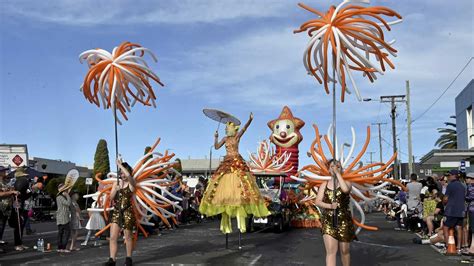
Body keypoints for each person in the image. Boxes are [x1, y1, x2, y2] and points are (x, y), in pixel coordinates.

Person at [199, 113, 270, 235]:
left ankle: (241, 224)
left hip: (237, 162)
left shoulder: (237, 136)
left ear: (233, 129)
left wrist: (250, 120)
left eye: (227, 128)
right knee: (224, 190)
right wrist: (215, 137)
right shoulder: (225, 139)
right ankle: (225, 225)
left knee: (240, 189)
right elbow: (216, 147)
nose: (226, 130)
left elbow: (244, 129)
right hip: (227, 164)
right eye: (225, 129)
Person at [315, 160, 355, 266]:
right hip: (329, 219)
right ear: (328, 169)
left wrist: (337, 173)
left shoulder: (347, 183)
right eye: (332, 166)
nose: (335, 168)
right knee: (331, 251)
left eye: (338, 166)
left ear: (341, 169)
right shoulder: (324, 184)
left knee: (344, 251)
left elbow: (345, 190)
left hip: (344, 219)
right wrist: (330, 206)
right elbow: (317, 201)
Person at [106, 159, 136, 266]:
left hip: (127, 211)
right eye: (121, 173)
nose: (122, 175)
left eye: (123, 172)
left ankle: (128, 258)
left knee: (127, 237)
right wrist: (115, 189)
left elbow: (128, 176)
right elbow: (111, 197)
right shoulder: (116, 183)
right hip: (117, 211)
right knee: (113, 237)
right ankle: (112, 259)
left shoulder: (132, 183)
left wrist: (120, 165)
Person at [442, 169, 466, 253]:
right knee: (459, 228)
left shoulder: (450, 185)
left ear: (453, 176)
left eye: (449, 175)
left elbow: (445, 199)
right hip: (461, 210)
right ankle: (459, 247)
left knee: (445, 227)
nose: (448, 177)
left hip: (451, 210)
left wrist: (443, 202)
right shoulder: (462, 186)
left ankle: (447, 246)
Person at [0, 166, 21, 252]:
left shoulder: (5, 182)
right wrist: (11, 192)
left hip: (6, 208)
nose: (5, 172)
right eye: (4, 171)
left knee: (2, 227)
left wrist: (12, 191)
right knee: (0, 227)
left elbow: (7, 191)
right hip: (1, 208)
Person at [56, 183, 72, 253]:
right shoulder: (60, 197)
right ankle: (63, 247)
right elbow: (68, 203)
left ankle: (60, 248)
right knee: (66, 233)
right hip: (63, 218)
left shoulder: (59, 196)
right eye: (66, 190)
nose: (67, 191)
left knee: (61, 233)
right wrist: (68, 195)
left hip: (61, 217)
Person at [463, 172, 474, 256]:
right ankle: (471, 247)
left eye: (467, 178)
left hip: (472, 209)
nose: (466, 179)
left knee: (473, 229)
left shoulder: (470, 187)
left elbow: (469, 197)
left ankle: (472, 249)